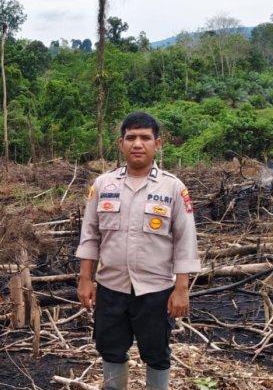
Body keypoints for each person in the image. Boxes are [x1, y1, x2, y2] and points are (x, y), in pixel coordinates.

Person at [76, 112, 200, 390]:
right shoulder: (103, 185)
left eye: (145, 137)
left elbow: (185, 241)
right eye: (131, 137)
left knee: (156, 354)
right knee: (111, 349)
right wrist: (85, 279)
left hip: (155, 290)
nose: (137, 144)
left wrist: (181, 289)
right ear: (121, 143)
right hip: (111, 287)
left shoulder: (173, 187)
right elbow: (89, 235)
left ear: (158, 143)